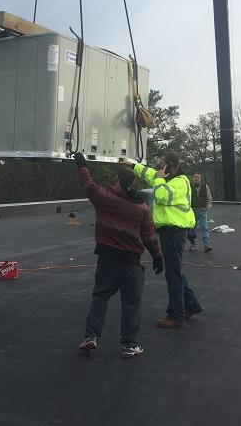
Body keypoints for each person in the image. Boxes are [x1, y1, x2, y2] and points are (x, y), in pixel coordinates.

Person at [74, 152, 164, 358]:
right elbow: (149, 236)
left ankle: (91, 336)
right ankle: (129, 345)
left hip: (107, 259)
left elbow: (88, 184)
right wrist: (157, 256)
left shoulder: (104, 198)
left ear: (116, 179)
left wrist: (81, 164)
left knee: (100, 296)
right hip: (131, 263)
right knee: (131, 304)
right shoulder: (142, 207)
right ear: (133, 182)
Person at [133, 152, 204, 328]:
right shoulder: (169, 178)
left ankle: (176, 315)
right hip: (171, 231)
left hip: (174, 231)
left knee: (173, 273)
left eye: (161, 164)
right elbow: (150, 174)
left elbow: (162, 195)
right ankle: (192, 305)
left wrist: (158, 179)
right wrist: (132, 165)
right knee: (175, 271)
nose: (158, 167)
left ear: (170, 165)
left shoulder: (179, 182)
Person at [188, 172, 213, 253]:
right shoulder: (189, 187)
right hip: (193, 210)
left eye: (198, 177)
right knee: (192, 229)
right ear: (193, 178)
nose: (196, 178)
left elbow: (209, 198)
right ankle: (193, 244)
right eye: (195, 177)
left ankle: (206, 246)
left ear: (200, 178)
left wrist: (207, 207)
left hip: (202, 210)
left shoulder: (205, 186)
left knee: (204, 228)